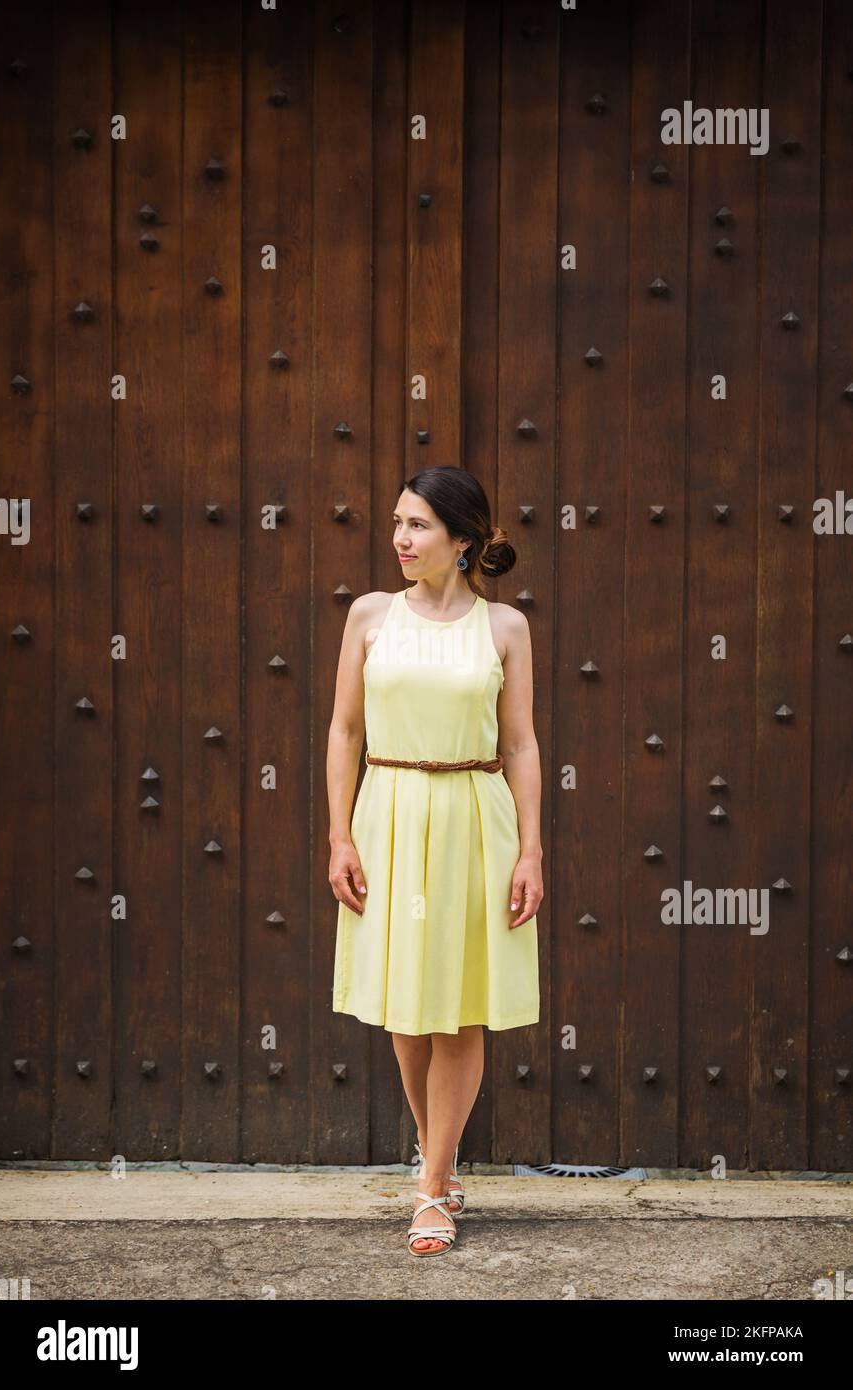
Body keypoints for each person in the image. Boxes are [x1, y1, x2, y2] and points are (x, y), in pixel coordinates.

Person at [326, 466, 542, 1256]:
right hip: (388, 812)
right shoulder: (369, 616)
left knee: (459, 1005)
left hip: (471, 819)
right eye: (395, 523)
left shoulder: (505, 629)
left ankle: (431, 1190)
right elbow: (345, 731)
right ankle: (439, 1159)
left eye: (416, 526)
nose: (399, 540)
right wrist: (339, 836)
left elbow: (519, 744)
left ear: (461, 540)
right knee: (407, 1006)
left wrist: (532, 849)